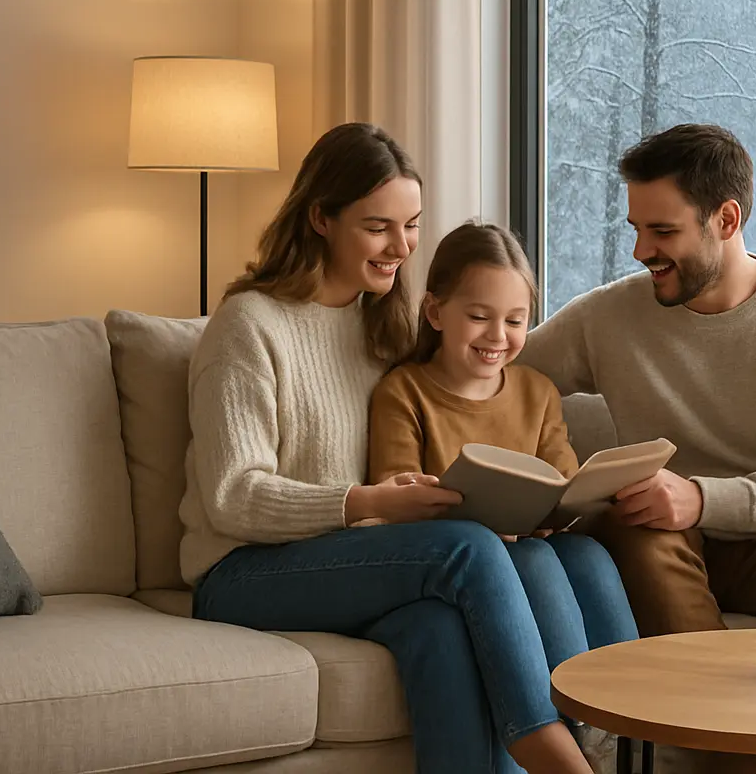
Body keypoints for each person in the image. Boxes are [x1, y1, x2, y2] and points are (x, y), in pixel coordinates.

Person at [180, 122, 597, 774]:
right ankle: (558, 753)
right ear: (321, 217)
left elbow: (475, 375)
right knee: (467, 551)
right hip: (243, 574)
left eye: (412, 225)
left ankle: (608, 728)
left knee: (443, 630)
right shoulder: (248, 326)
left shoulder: (383, 325)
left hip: (359, 564)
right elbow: (233, 498)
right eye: (379, 226)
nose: (402, 246)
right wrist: (365, 502)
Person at [516, 123, 756, 774]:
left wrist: (697, 498)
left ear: (726, 219)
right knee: (632, 528)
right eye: (636, 228)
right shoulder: (608, 317)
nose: (640, 250)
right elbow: (503, 373)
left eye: (662, 233)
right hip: (661, 548)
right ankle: (745, 757)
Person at [368, 219, 639, 702]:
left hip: (532, 538)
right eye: (479, 317)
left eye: (515, 321)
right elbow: (396, 494)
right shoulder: (404, 393)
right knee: (533, 558)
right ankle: (570, 722)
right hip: (459, 559)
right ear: (435, 312)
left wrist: (577, 500)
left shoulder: (537, 391)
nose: (498, 336)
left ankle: (631, 710)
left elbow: (563, 479)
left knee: (589, 554)